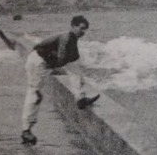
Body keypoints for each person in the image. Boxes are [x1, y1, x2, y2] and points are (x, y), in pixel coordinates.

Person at [20, 14, 99, 145]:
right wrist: (56, 68)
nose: (83, 32)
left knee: (75, 69)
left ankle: (80, 99)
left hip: (45, 62)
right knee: (35, 95)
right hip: (37, 62)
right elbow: (62, 58)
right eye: (81, 28)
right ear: (73, 26)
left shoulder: (72, 40)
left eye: (85, 30)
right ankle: (26, 130)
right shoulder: (66, 38)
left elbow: (73, 61)